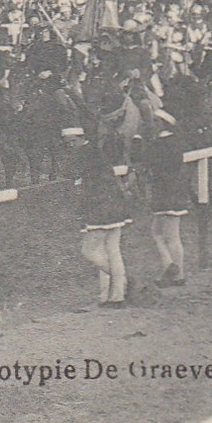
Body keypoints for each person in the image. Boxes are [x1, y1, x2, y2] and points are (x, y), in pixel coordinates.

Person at [73, 133, 132, 307]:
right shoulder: (97, 153)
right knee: (112, 250)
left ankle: (124, 283)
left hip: (101, 208)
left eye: (70, 142)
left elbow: (78, 183)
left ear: (77, 139)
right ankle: (114, 296)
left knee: (88, 250)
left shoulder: (84, 156)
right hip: (116, 205)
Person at [146, 110, 190, 287]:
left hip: (163, 193)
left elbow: (148, 162)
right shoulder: (178, 142)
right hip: (177, 191)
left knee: (161, 234)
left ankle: (171, 267)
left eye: (155, 122)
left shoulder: (157, 144)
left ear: (161, 124)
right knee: (168, 234)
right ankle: (176, 273)